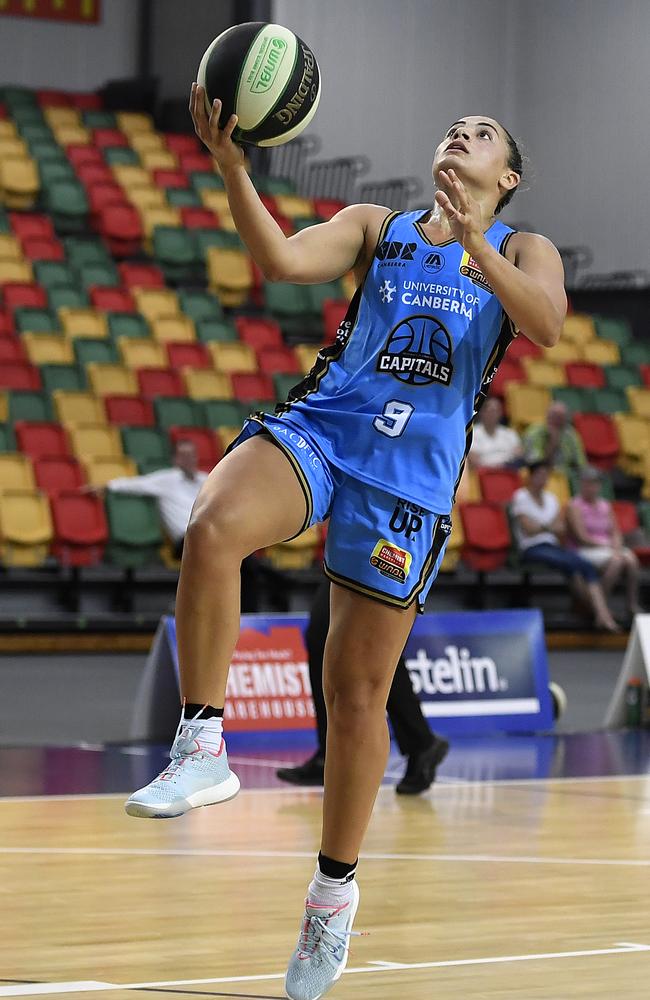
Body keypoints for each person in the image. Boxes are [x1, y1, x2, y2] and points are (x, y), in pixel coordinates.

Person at [125, 88, 567, 1000]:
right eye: (453, 125)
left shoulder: (524, 248)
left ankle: (332, 898)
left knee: (356, 694)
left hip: (409, 481)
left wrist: (475, 239)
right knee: (211, 528)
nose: (459, 132)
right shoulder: (379, 225)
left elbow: (550, 325)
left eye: (480, 133)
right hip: (324, 432)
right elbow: (283, 261)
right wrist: (234, 168)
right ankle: (200, 745)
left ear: (507, 176)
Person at [276, 577, 449, 794]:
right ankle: (331, 755)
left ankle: (419, 742)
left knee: (373, 648)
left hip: (392, 553)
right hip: (353, 548)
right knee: (325, 635)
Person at [91, 439, 259, 610]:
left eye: (191, 455)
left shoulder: (206, 480)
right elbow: (137, 484)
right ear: (176, 459)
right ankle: (239, 609)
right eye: (183, 456)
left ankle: (245, 612)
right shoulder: (167, 480)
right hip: (185, 539)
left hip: (214, 536)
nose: (188, 460)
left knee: (245, 561)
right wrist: (108, 487)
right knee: (233, 561)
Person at [511, 461, 620, 632]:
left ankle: (597, 613)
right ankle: (601, 613)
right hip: (531, 548)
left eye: (545, 475)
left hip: (552, 545)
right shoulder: (521, 496)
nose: (543, 479)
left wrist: (542, 526)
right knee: (574, 565)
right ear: (530, 477)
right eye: (539, 475)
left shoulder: (551, 498)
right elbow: (529, 530)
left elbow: (560, 528)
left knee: (582, 567)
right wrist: (547, 527)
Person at [566, 466, 642, 619]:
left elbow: (615, 531)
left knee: (632, 560)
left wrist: (617, 545)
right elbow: (581, 537)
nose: (591, 487)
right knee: (616, 562)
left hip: (607, 547)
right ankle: (599, 606)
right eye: (587, 483)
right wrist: (608, 547)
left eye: (594, 483)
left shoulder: (605, 505)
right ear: (581, 484)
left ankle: (631, 604)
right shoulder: (574, 506)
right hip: (585, 548)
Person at [523, 401, 586, 476]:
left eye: (560, 417)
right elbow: (536, 466)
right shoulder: (535, 432)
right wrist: (552, 443)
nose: (556, 420)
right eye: (554, 416)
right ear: (547, 416)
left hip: (566, 477)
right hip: (543, 476)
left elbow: (581, 465)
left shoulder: (570, 435)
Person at [469, 395, 523, 468]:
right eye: (490, 411)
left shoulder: (510, 433)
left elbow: (519, 454)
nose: (493, 414)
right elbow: (473, 459)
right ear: (482, 412)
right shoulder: (473, 433)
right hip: (483, 473)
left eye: (496, 411)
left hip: (507, 471)